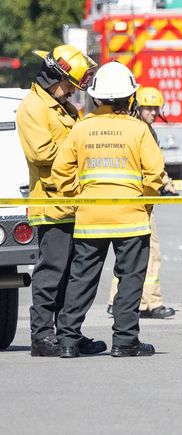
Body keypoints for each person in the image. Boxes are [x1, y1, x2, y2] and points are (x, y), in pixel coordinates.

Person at [52, 62, 165, 358]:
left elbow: (60, 171)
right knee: (129, 279)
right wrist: (146, 202)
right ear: (130, 97)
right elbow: (156, 173)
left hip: (91, 217)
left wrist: (76, 197)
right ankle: (125, 341)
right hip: (131, 218)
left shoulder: (82, 127)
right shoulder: (139, 129)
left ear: (95, 97)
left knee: (82, 278)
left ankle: (67, 340)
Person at [15, 44, 106, 358]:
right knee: (51, 273)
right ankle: (42, 337)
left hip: (74, 203)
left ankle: (69, 334)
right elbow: (41, 153)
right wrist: (77, 146)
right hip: (52, 204)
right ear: (55, 77)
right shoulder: (33, 108)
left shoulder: (65, 108)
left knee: (72, 276)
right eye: (70, 85)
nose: (72, 93)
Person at [106, 86, 176, 320]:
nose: (153, 112)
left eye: (156, 108)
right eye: (148, 107)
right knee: (151, 254)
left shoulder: (134, 129)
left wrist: (166, 181)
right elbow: (152, 166)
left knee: (127, 255)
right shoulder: (141, 132)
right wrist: (162, 184)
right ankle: (153, 303)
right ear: (137, 106)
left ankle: (115, 300)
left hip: (128, 201)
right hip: (140, 202)